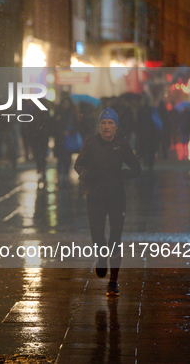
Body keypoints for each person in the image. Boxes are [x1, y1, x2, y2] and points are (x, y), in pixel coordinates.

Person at [74, 107, 141, 296]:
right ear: (99, 125)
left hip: (116, 197)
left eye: (110, 123)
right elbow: (78, 163)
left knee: (115, 239)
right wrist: (84, 173)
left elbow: (137, 168)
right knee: (97, 235)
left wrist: (122, 175)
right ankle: (102, 258)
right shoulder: (90, 143)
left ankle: (113, 282)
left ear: (116, 127)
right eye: (103, 122)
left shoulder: (122, 144)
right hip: (95, 196)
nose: (106, 126)